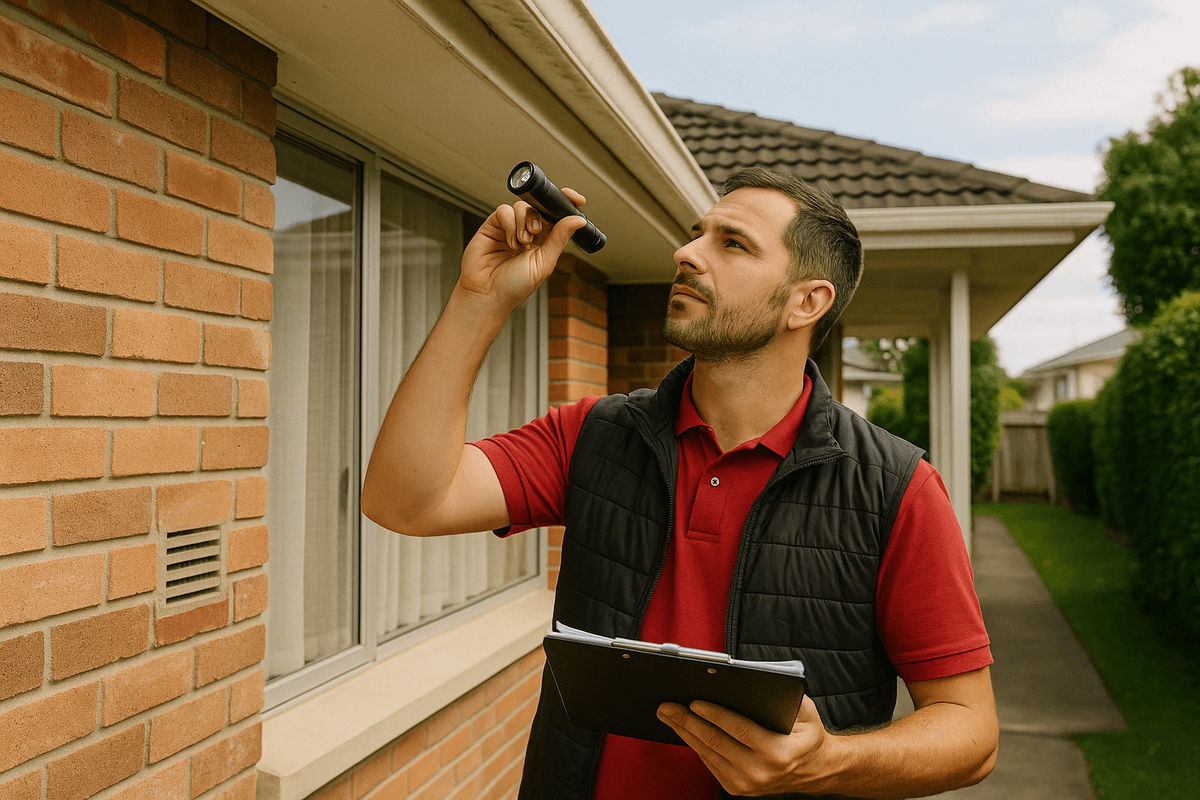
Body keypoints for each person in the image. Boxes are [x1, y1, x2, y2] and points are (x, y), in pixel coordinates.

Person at [361, 167, 998, 799]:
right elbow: (405, 500)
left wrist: (827, 761)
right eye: (699, 234)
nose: (686, 253)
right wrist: (480, 299)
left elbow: (971, 734)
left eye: (733, 243)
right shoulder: (595, 435)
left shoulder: (895, 489)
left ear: (808, 301)